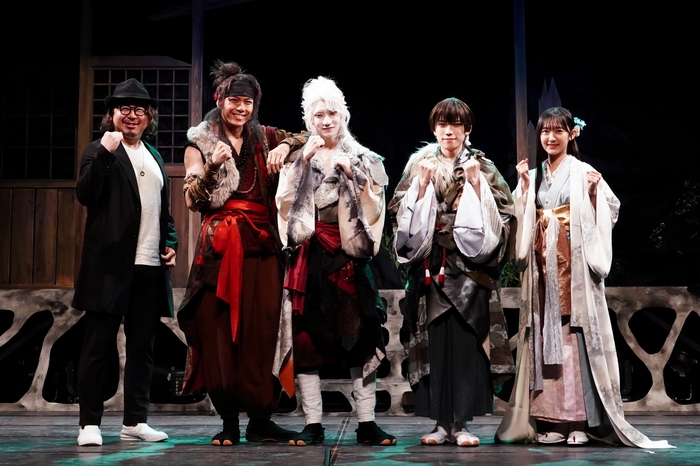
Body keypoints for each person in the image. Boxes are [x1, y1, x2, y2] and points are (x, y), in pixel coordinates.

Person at [494, 107, 672, 449]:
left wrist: (592, 194)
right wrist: (524, 189)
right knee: (544, 338)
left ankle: (578, 421)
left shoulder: (583, 172)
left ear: (571, 134)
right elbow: (522, 217)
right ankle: (550, 421)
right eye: (545, 132)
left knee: (573, 339)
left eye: (558, 131)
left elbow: (610, 209)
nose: (550, 138)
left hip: (573, 267)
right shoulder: (535, 174)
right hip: (542, 269)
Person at [177, 61, 307, 446]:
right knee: (221, 331)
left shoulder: (265, 137)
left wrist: (285, 145)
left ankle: (261, 418)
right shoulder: (200, 143)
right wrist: (212, 166)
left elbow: (307, 136)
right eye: (234, 100)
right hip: (220, 249)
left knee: (262, 331)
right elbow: (193, 200)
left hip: (263, 248)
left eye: (248, 102)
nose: (241, 108)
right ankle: (229, 419)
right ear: (220, 100)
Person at [273, 77, 395, 446]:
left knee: (361, 338)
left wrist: (354, 176)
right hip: (310, 257)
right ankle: (313, 422)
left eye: (332, 113)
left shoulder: (363, 157)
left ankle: (367, 421)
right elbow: (283, 203)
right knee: (307, 341)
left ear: (344, 115)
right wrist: (302, 161)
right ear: (308, 120)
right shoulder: (299, 157)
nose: (326, 121)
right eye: (318, 115)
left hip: (348, 256)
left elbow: (376, 209)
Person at [388, 98, 515, 447]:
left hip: (470, 272)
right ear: (434, 129)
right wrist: (422, 186)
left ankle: (462, 423)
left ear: (467, 129)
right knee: (435, 344)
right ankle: (440, 423)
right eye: (442, 124)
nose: (449, 131)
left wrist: (477, 186)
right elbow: (398, 210)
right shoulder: (419, 165)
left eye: (456, 124)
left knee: (466, 345)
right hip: (431, 269)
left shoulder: (483, 167)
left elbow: (506, 213)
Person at [73, 78, 178, 446]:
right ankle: (89, 424)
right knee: (97, 348)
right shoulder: (98, 149)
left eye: (139, 110)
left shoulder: (154, 155)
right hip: (110, 268)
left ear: (149, 116)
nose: (132, 115)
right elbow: (85, 194)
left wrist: (170, 244)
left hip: (149, 267)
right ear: (112, 113)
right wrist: (105, 152)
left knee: (142, 348)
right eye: (125, 108)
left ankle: (135, 420)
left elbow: (163, 212)